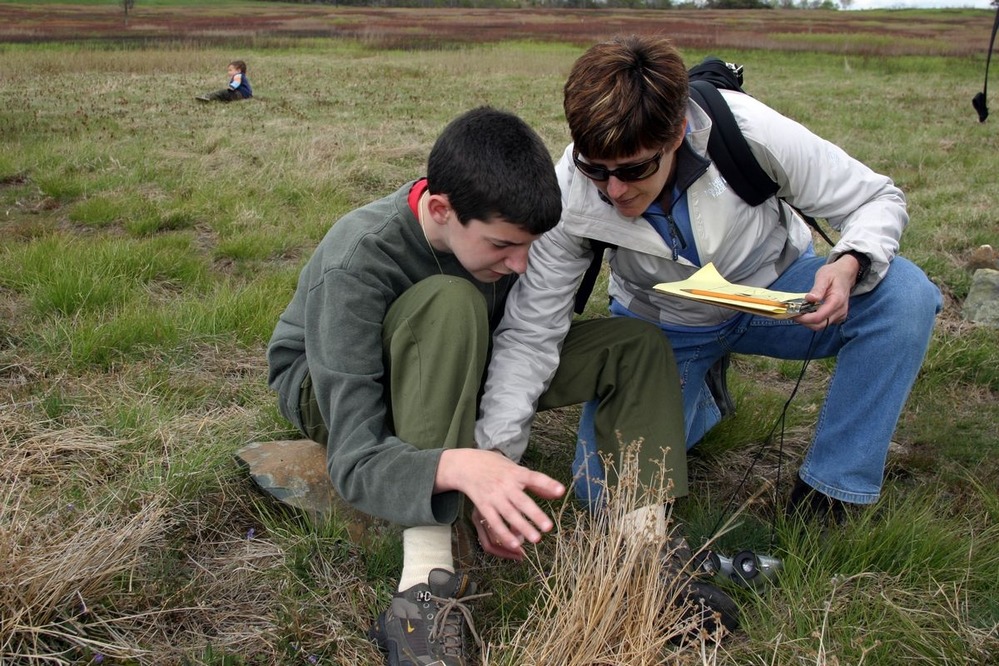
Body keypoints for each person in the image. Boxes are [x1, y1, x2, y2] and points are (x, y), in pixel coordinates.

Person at [266, 106, 715, 666]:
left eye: (528, 246)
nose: (522, 265)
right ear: (440, 209)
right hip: (335, 387)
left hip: (471, 352)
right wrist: (462, 469)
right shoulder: (358, 260)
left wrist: (494, 449)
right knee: (450, 303)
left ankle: (645, 560)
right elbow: (355, 459)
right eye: (504, 246)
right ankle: (420, 591)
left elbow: (524, 336)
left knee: (634, 345)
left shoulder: (498, 243)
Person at [475, 35, 942, 530]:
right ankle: (704, 396)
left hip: (779, 291)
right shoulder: (570, 194)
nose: (614, 190)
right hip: (665, 328)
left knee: (905, 296)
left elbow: (877, 199)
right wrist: (496, 459)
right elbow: (531, 332)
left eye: (635, 169)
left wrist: (848, 262)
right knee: (605, 496)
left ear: (677, 132)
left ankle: (832, 489)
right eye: (597, 169)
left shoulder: (747, 131)